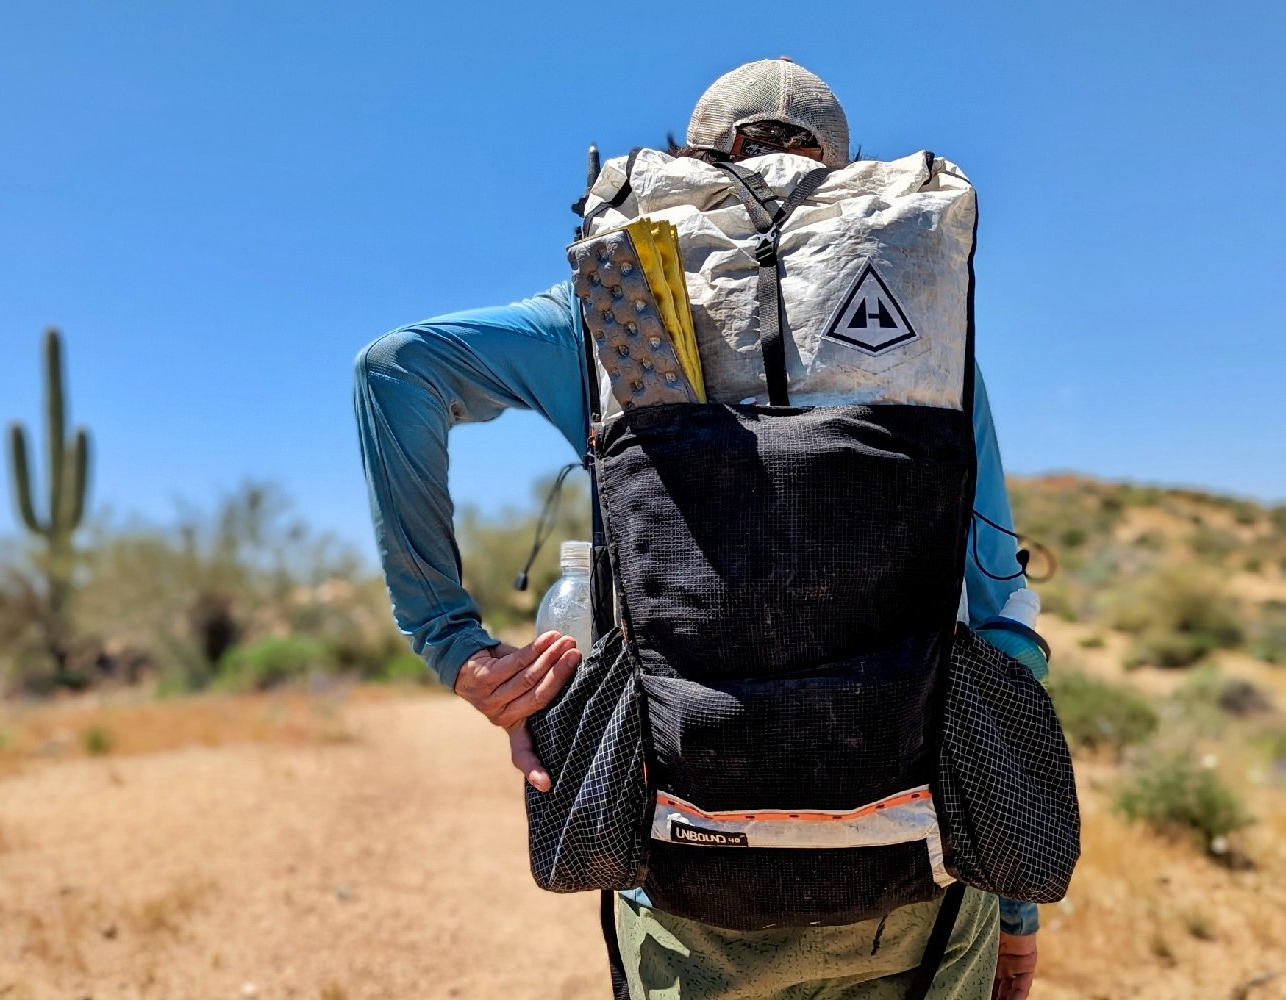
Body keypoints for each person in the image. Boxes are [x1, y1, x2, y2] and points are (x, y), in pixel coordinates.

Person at [353, 58, 1041, 1000]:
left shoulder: (617, 301)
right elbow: (1003, 620)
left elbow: (397, 370)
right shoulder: (922, 329)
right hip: (915, 881)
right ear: (845, 175)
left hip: (685, 871)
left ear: (695, 162)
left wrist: (452, 645)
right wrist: (1014, 910)